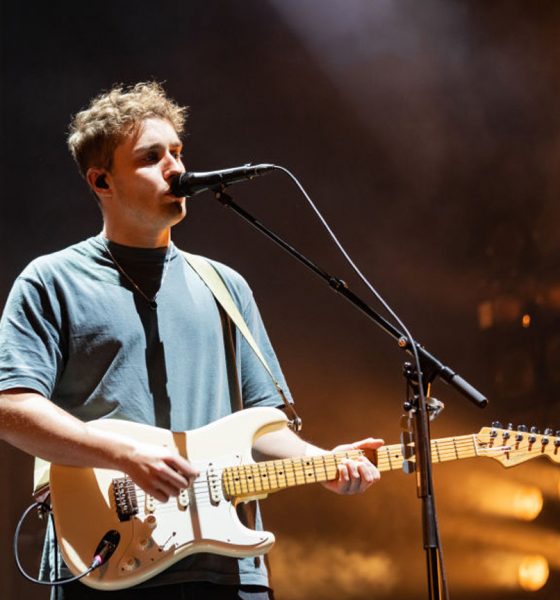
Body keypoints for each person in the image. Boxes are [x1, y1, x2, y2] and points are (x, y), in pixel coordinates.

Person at [0, 82, 383, 599]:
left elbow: (263, 424)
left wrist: (322, 462)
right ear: (101, 180)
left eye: (177, 152)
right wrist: (123, 455)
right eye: (151, 157)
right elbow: (11, 408)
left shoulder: (224, 286)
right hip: (107, 558)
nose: (175, 168)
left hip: (227, 569)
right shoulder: (51, 280)